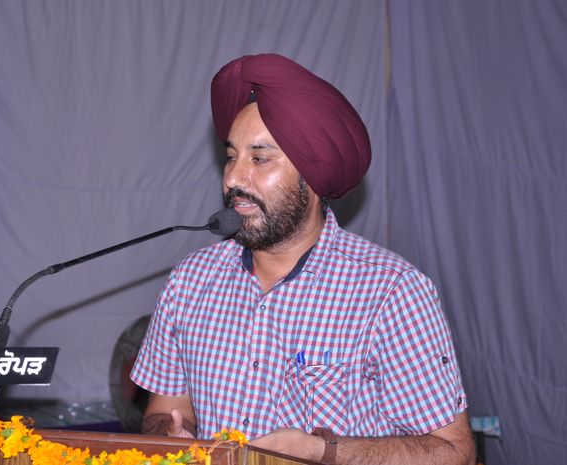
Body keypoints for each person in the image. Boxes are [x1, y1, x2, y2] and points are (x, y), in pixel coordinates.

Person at [130, 54, 474, 465]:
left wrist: (323, 451)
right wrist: (171, 438)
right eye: (231, 156)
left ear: (312, 176)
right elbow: (164, 412)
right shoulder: (191, 280)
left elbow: (453, 452)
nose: (233, 178)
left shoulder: (391, 292)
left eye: (259, 159)